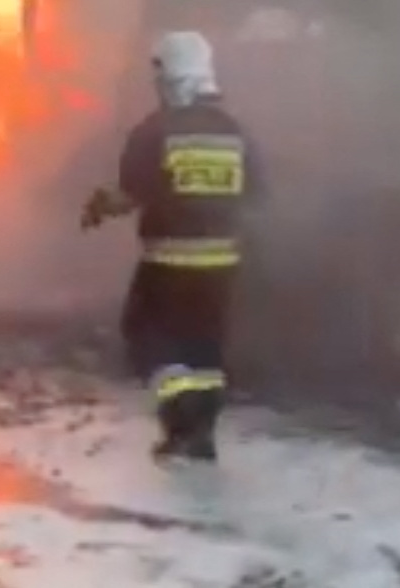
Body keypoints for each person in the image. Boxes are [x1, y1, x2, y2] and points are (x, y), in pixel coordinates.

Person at [81, 31, 265, 463]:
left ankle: (180, 417)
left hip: (168, 262)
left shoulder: (155, 130)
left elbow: (131, 194)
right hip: (223, 264)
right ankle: (201, 434)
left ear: (167, 77)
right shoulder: (235, 132)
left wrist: (99, 206)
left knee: (146, 338)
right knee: (206, 349)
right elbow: (257, 195)